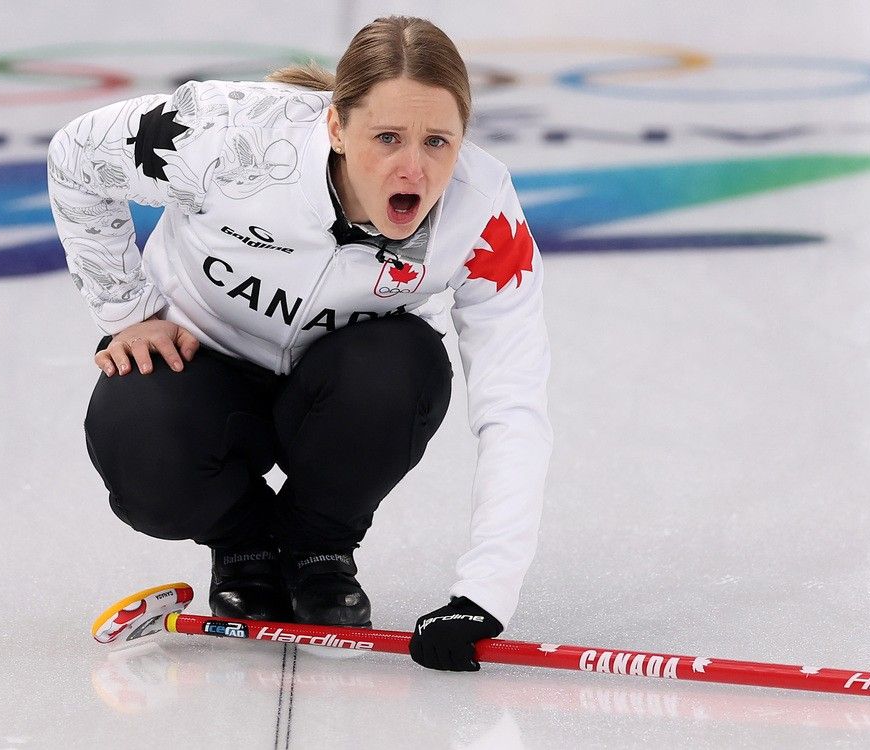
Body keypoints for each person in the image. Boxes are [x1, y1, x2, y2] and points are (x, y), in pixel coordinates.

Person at [48, 15, 552, 672]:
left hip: (339, 391)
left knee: (404, 370)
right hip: (199, 371)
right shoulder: (229, 137)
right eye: (388, 138)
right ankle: (245, 545)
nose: (414, 167)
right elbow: (76, 158)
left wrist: (482, 595)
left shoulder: (482, 214)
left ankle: (317, 550)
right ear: (337, 128)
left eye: (438, 142)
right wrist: (127, 309)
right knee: (137, 429)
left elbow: (513, 401)